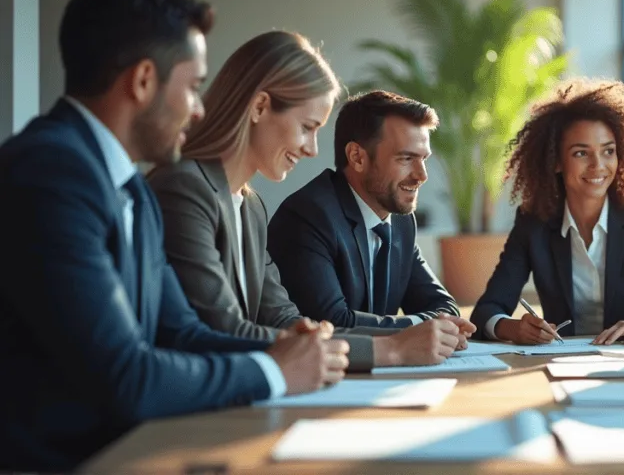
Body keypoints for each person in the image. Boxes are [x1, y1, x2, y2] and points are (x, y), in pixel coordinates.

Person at [0, 0, 346, 472]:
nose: (201, 108)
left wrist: (287, 348)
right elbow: (127, 377)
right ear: (143, 81)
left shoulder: (131, 187)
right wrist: (273, 370)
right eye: (193, 86)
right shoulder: (50, 174)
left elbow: (182, 331)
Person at [148, 32, 464, 370]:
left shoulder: (250, 207)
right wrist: (390, 351)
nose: (312, 149)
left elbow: (283, 318)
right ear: (259, 107)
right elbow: (222, 330)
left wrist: (308, 336)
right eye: (306, 127)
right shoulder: (184, 189)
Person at [469, 79, 624, 346]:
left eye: (608, 151)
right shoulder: (533, 223)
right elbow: (486, 312)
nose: (598, 165)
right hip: (557, 361)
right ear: (557, 161)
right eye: (581, 153)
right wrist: (512, 328)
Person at [267, 90, 473, 339]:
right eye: (406, 158)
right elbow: (331, 323)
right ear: (357, 157)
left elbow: (445, 308)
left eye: (424, 159)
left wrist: (431, 325)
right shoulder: (307, 217)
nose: (421, 175)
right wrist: (419, 328)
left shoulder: (399, 221)